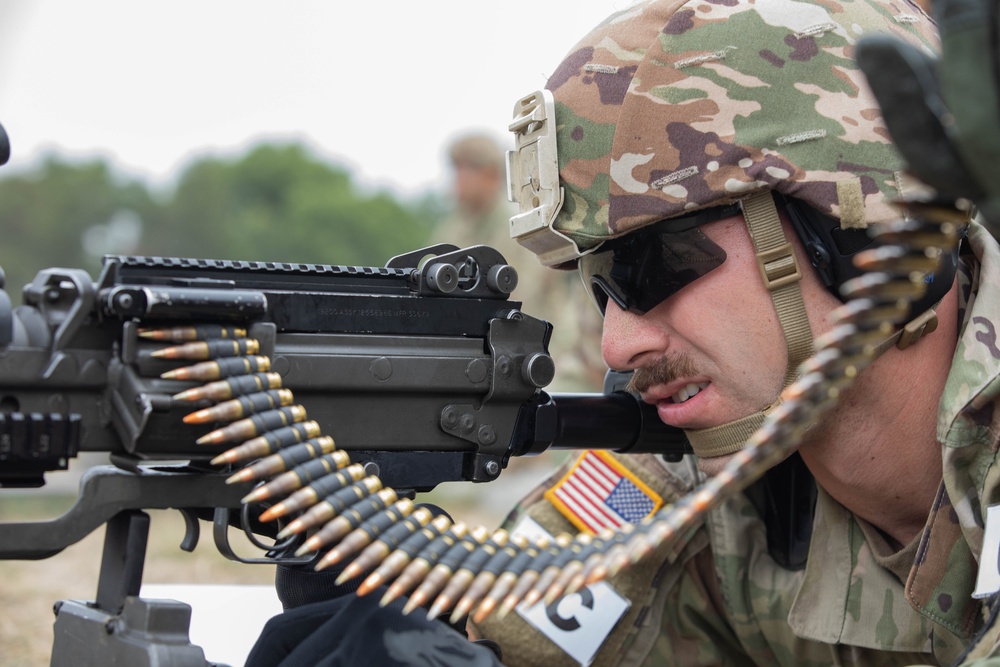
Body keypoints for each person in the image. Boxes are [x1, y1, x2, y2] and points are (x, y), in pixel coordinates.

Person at [248, 0, 1000, 664]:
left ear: (852, 231)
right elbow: (506, 636)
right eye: (600, 283)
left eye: (658, 264)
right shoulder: (693, 481)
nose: (618, 345)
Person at [435, 132, 606, 393]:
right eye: (455, 169)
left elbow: (522, 300)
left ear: (491, 176)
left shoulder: (517, 227)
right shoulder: (454, 229)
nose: (457, 180)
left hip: (546, 349)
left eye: (466, 170)